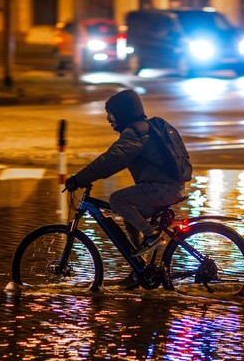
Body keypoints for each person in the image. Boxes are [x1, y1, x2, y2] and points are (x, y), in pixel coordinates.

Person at [64, 89, 188, 287]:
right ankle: (140, 271)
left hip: (163, 188)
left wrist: (80, 178)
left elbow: (112, 159)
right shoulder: (142, 128)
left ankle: (152, 236)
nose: (108, 118)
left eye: (111, 113)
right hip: (167, 186)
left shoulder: (135, 133)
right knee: (131, 219)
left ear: (122, 113)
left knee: (117, 200)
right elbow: (113, 160)